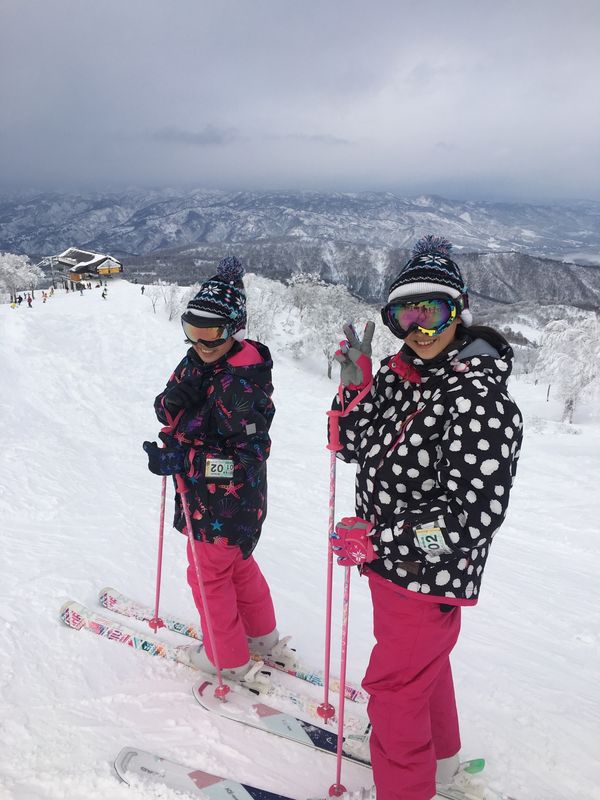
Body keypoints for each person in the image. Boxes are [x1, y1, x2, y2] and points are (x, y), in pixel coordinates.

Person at [330, 236, 523, 800]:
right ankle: (439, 763)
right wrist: (356, 388)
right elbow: (353, 446)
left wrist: (381, 541)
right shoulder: (401, 373)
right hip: (395, 570)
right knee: (420, 672)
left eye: (431, 311)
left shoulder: (477, 398)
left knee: (394, 688)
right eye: (404, 315)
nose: (418, 328)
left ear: (459, 310)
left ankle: (403, 788)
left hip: (428, 572)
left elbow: (474, 517)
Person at [143, 256, 281, 683]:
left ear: (234, 331)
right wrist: (172, 401)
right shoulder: (198, 362)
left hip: (226, 504)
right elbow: (165, 408)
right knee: (235, 566)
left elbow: (248, 458)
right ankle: (261, 638)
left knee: (207, 576)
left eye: (212, 333)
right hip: (209, 501)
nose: (201, 343)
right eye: (192, 330)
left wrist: (184, 461)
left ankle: (227, 658)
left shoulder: (240, 384)